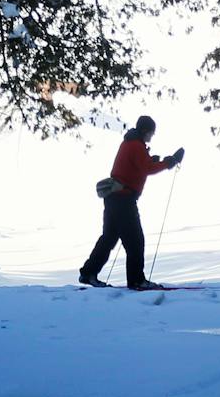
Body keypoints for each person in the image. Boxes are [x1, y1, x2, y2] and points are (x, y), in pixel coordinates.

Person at [78, 114, 183, 289]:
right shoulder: (135, 145)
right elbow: (147, 169)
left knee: (109, 239)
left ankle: (88, 273)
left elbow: (139, 165)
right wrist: (167, 163)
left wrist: (154, 160)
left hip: (114, 199)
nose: (152, 136)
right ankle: (136, 280)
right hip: (123, 200)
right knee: (135, 241)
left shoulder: (130, 142)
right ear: (145, 131)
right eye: (151, 132)